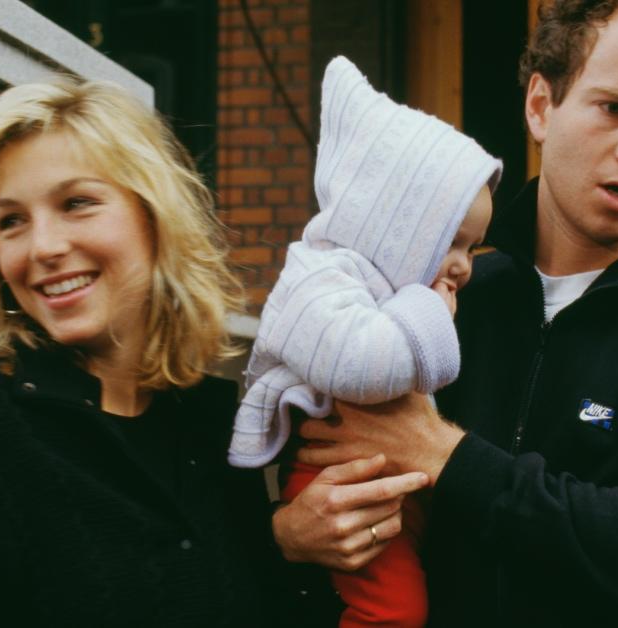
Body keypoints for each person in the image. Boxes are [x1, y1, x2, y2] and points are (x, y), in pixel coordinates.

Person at [273, 1, 618, 626]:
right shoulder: (436, 304)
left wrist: (447, 457)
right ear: (541, 107)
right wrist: (291, 536)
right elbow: (319, 471)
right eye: (615, 108)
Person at [0, 78, 291, 627]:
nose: (43, 247)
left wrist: (296, 544)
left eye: (77, 203)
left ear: (154, 218)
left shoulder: (210, 432)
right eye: (11, 221)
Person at [229, 56, 501, 627]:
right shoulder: (320, 276)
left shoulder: (381, 284)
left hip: (380, 472)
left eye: (472, 249)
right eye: (452, 242)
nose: (464, 266)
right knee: (394, 611)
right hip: (337, 479)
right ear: (395, 227)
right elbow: (360, 364)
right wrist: (427, 308)